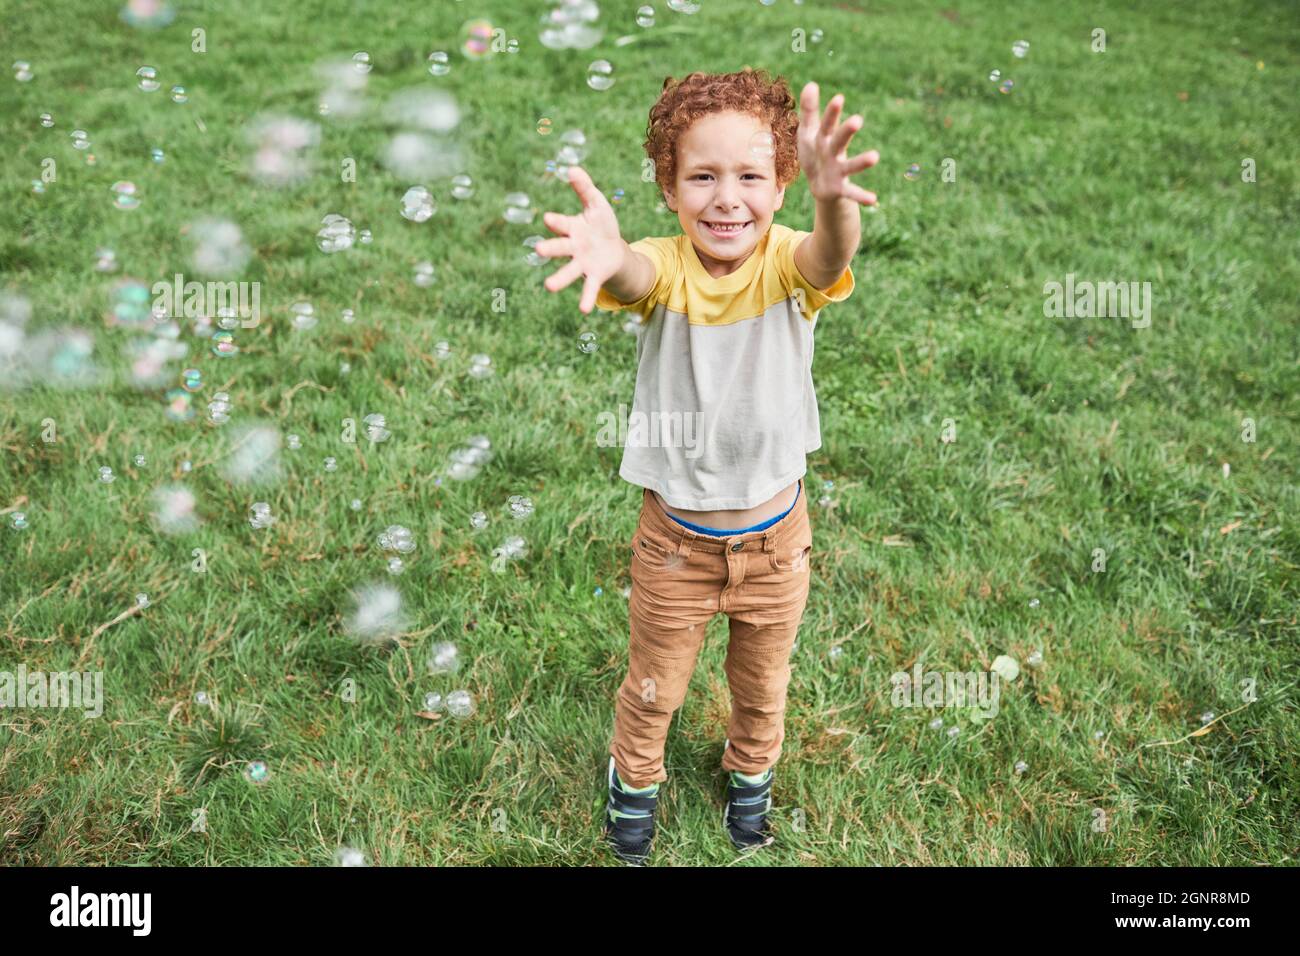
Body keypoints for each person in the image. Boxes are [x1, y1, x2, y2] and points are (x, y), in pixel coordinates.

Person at [538, 68, 878, 865]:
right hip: (677, 546)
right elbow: (631, 273)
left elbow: (831, 259)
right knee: (655, 687)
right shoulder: (664, 267)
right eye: (703, 177)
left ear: (785, 185)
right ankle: (636, 786)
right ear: (668, 187)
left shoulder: (790, 262)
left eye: (751, 176)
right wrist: (608, 251)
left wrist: (835, 203)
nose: (728, 199)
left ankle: (750, 781)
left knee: (762, 687)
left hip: (775, 545)